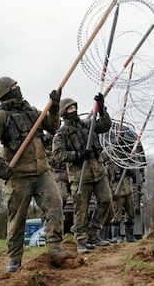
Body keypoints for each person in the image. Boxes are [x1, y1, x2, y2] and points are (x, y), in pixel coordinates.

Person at [0, 76, 72, 273]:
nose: (18, 87)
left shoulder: (30, 111)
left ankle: (55, 247)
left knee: (56, 204)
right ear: (5, 91)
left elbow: (52, 126)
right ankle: (14, 258)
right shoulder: (0, 117)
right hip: (18, 175)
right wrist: (0, 167)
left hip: (42, 171)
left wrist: (55, 107)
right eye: (14, 86)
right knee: (17, 218)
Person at [52, 94, 112, 254]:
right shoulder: (61, 133)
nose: (74, 110)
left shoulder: (87, 125)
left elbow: (105, 125)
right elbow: (58, 154)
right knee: (81, 210)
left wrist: (102, 108)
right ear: (64, 112)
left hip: (98, 172)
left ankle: (94, 234)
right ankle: (81, 240)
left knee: (106, 200)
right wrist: (78, 155)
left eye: (75, 106)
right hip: (79, 177)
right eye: (70, 108)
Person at [102, 146, 137, 243]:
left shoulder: (125, 159)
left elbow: (133, 173)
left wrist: (129, 163)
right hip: (116, 191)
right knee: (116, 215)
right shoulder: (108, 164)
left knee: (130, 213)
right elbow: (105, 179)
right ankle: (115, 237)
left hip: (127, 190)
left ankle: (130, 236)